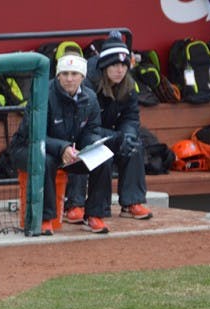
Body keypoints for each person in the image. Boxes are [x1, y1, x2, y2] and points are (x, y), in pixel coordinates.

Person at [10, 53, 111, 235]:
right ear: (58, 75)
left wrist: (91, 145)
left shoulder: (90, 98)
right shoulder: (42, 95)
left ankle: (95, 215)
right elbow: (33, 133)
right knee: (46, 160)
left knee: (102, 159)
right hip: (27, 148)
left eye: (74, 74)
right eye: (65, 74)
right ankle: (46, 218)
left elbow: (92, 130)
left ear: (82, 76)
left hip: (67, 152)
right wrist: (62, 147)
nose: (69, 78)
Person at [64, 32, 153, 223]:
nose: (119, 70)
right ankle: (75, 204)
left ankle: (132, 202)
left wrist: (127, 135)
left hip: (109, 134)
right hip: (83, 134)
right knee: (84, 148)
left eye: (123, 65)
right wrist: (115, 137)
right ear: (105, 65)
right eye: (114, 65)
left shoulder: (128, 84)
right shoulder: (87, 81)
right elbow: (84, 124)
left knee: (134, 143)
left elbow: (131, 117)